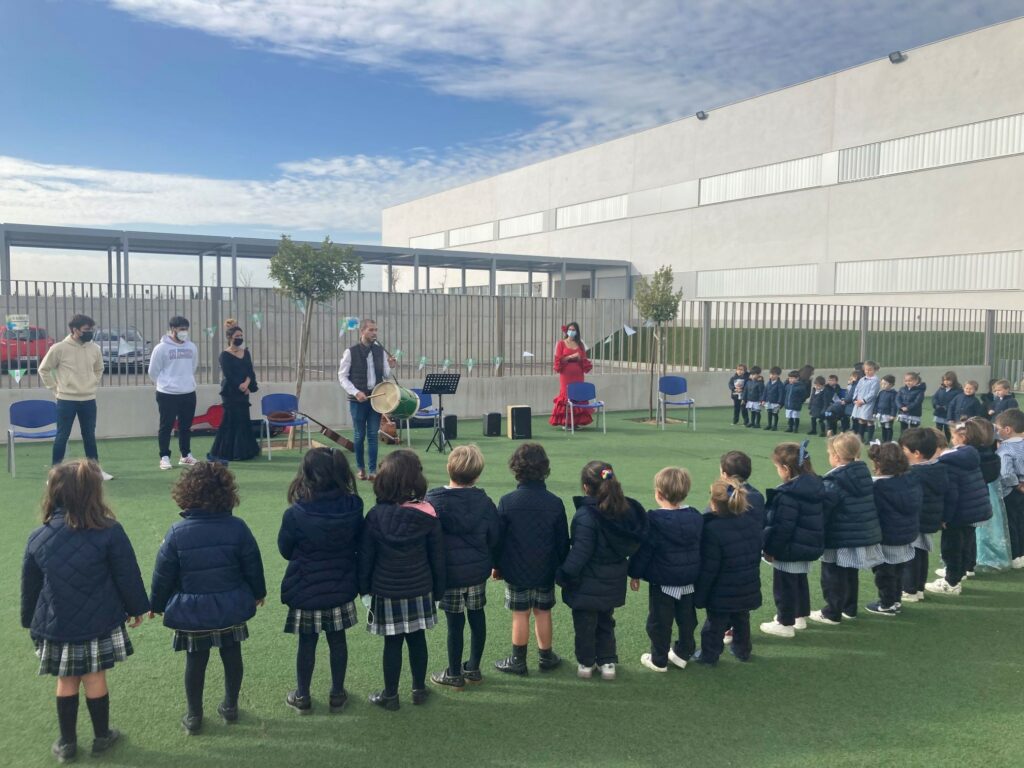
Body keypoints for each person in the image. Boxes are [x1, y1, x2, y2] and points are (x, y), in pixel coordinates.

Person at [21, 460, 149, 763]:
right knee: (95, 677)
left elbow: (30, 586)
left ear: (54, 493)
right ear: (94, 493)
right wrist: (138, 608)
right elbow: (127, 574)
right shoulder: (110, 531)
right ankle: (102, 736)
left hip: (56, 624)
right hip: (99, 622)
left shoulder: (39, 536)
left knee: (66, 681)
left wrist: (30, 621)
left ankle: (67, 743)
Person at [149, 462, 267, 734]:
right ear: (227, 492)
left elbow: (163, 574)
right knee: (232, 654)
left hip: (193, 611)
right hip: (231, 606)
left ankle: (194, 716)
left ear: (186, 493)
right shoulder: (238, 527)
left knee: (195, 660)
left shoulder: (177, 532)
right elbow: (253, 564)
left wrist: (156, 605)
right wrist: (258, 593)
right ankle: (230, 706)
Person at [278, 447, 364, 714]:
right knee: (338, 640)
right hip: (341, 583)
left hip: (305, 586)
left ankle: (302, 695)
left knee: (307, 642)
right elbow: (358, 543)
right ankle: (337, 693)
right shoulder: (354, 506)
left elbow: (285, 549)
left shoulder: (295, 513)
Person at [358, 450, 445, 710]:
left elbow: (366, 557)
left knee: (392, 644)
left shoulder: (375, 516)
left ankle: (390, 695)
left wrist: (363, 589)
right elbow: (437, 557)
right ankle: (419, 690)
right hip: (421, 589)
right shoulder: (429, 514)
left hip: (386, 591)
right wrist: (439, 591)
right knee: (418, 640)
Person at [557, 462, 646, 681]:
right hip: (613, 581)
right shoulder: (626, 511)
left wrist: (564, 574)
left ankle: (586, 663)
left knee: (585, 625)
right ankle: (607, 662)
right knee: (606, 620)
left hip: (586, 581)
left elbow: (580, 552)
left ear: (586, 487)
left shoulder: (586, 517)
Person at [425, 445, 500, 690]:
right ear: (477, 475)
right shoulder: (485, 502)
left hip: (450, 574)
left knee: (454, 623)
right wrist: (494, 564)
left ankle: (454, 672)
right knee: (477, 617)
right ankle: (474, 668)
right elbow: (494, 536)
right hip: (477, 572)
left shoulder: (434, 501)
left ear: (449, 468)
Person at [493, 443, 569, 676]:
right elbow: (562, 542)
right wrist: (561, 567)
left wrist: (496, 566)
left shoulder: (507, 502)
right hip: (546, 569)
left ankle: (518, 660)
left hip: (515, 570)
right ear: (544, 468)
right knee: (543, 612)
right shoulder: (555, 503)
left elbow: (498, 540)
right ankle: (546, 656)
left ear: (516, 469)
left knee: (520, 614)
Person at [628, 467, 702, 672]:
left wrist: (634, 573)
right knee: (687, 619)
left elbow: (644, 552)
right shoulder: (695, 516)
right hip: (689, 579)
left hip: (663, 581)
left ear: (658, 494)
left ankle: (658, 659)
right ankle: (683, 652)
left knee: (659, 622)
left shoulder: (653, 519)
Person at [809, 433, 882, 625]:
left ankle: (832, 612)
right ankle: (849, 608)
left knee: (832, 575)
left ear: (836, 456)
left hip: (840, 535)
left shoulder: (835, 480)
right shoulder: (863, 473)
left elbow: (826, 509)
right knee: (850, 573)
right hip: (859, 533)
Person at [692, 477, 762, 665]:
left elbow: (709, 569)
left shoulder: (712, 530)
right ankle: (743, 650)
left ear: (713, 502)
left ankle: (709, 655)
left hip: (721, 590)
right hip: (747, 583)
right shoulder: (752, 523)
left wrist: (700, 595)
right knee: (742, 619)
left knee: (714, 624)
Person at [760, 441, 825, 638]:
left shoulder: (788, 494)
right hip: (808, 544)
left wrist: (771, 550)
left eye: (778, 467)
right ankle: (799, 616)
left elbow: (782, 528)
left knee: (784, 585)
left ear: (786, 468)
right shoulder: (816, 484)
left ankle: (785, 622)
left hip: (790, 547)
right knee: (799, 581)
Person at [38, 314, 111, 480]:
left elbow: (99, 369)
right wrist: (55, 389)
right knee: (62, 436)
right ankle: (54, 475)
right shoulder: (59, 348)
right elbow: (44, 369)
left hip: (88, 399)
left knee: (89, 436)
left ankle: (95, 471)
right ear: (75, 330)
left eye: (91, 329)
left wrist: (93, 383)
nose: (90, 333)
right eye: (86, 330)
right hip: (66, 400)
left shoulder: (95, 349)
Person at [925, 420, 992, 595]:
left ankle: (951, 582)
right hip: (974, 509)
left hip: (960, 512)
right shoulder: (971, 456)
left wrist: (945, 518)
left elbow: (952, 495)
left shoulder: (950, 462)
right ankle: (959, 573)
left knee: (951, 547)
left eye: (954, 435)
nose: (952, 439)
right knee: (966, 542)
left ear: (962, 437)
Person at [865, 443, 922, 615]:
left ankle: (887, 603)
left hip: (887, 535)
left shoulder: (878, 486)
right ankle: (895, 600)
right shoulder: (910, 480)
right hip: (906, 533)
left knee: (885, 573)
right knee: (898, 568)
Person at [339, 318, 395, 479]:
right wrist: (356, 392)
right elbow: (342, 377)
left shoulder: (380, 351)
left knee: (372, 435)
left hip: (376, 398)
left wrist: (390, 366)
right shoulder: (350, 351)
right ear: (362, 331)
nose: (374, 333)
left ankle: (372, 471)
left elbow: (386, 375)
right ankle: (361, 468)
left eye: (376, 330)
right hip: (358, 400)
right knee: (359, 435)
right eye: (371, 330)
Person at [898, 428, 949, 602]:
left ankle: (910, 590)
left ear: (917, 453)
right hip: (931, 517)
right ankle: (918, 588)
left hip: (916, 519)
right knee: (922, 552)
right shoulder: (939, 468)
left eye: (904, 450)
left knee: (911, 554)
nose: (902, 454)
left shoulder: (914, 473)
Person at [148, 315, 199, 471]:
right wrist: (165, 384)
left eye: (186, 329)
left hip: (188, 392)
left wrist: (185, 382)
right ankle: (164, 457)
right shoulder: (161, 348)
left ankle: (185, 455)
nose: (184, 332)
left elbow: (193, 367)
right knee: (166, 425)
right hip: (167, 394)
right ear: (172, 330)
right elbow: (153, 371)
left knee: (185, 426)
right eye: (181, 329)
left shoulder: (191, 347)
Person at [208, 320, 260, 462]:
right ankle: (226, 451)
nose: (240, 338)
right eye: (237, 335)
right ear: (230, 337)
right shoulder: (224, 355)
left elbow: (250, 370)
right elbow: (229, 374)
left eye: (241, 335)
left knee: (243, 419)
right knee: (230, 420)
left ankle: (245, 451)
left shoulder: (246, 353)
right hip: (231, 392)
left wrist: (247, 384)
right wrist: (240, 386)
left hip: (245, 392)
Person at [994, 409, 1024, 569]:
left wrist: (1017, 485)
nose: (997, 431)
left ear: (1007, 429)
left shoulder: (1005, 449)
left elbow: (1006, 473)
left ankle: (1015, 556)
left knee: (1011, 523)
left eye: (998, 428)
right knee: (1021, 520)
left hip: (1011, 491)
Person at [550, 321, 594, 428]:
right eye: (570, 329)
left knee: (578, 394)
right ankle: (566, 421)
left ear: (577, 331)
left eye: (574, 330)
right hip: (566, 374)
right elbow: (558, 360)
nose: (571, 332)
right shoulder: (561, 343)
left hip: (578, 373)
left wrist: (580, 358)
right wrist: (570, 357)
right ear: (566, 331)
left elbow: (584, 359)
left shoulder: (580, 344)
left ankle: (577, 421)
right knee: (567, 394)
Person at [851, 360, 880, 442]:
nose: (867, 371)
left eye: (870, 370)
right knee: (861, 419)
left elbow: (873, 393)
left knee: (869, 420)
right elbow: (856, 389)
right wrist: (855, 400)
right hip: (859, 403)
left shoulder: (875, 380)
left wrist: (863, 401)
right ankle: (861, 437)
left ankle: (869, 439)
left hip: (868, 404)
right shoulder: (862, 379)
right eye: (866, 369)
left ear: (874, 370)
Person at [931, 371, 961, 441]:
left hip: (949, 415)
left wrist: (947, 407)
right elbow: (935, 397)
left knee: (948, 430)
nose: (946, 382)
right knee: (938, 429)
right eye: (944, 380)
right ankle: (937, 442)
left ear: (953, 380)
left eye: (948, 380)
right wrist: (936, 404)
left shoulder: (958, 391)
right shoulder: (941, 388)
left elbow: (955, 402)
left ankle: (946, 443)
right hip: (939, 413)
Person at [782, 369, 808, 433]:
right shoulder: (788, 386)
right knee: (789, 417)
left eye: (792, 378)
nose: (790, 380)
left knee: (795, 417)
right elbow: (785, 393)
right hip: (788, 405)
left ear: (797, 378)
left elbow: (804, 395)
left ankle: (796, 428)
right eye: (789, 378)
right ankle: (790, 427)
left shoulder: (801, 386)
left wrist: (799, 401)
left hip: (796, 405)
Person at [874, 375, 899, 443]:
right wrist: (875, 412)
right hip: (881, 413)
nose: (883, 385)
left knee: (888, 428)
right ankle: (884, 440)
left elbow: (894, 405)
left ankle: (888, 441)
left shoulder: (894, 394)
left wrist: (893, 415)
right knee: (883, 427)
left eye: (885, 384)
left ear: (891, 384)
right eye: (882, 383)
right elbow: (877, 403)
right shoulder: (881, 392)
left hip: (888, 415)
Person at [762, 366, 785, 431]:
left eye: (774, 375)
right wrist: (763, 400)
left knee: (775, 414)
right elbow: (765, 392)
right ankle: (769, 425)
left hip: (775, 402)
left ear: (778, 375)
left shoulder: (780, 384)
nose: (772, 376)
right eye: (771, 374)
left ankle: (775, 426)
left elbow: (781, 394)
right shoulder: (768, 383)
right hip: (768, 401)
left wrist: (779, 403)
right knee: (769, 413)